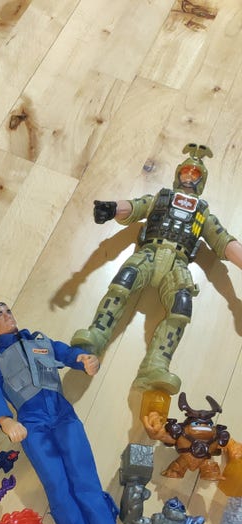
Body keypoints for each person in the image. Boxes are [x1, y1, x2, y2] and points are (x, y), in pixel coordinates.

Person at [71, 143, 242, 395]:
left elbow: (223, 241)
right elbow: (135, 207)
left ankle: (156, 365)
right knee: (123, 282)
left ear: (201, 180)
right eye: (186, 171)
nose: (189, 176)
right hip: (149, 253)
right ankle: (97, 334)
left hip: (178, 263)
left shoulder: (203, 214)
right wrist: (112, 208)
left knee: (181, 307)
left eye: (195, 173)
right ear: (178, 174)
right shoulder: (160, 199)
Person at [0, 302, 118, 524]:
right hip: (32, 422)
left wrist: (83, 359)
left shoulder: (39, 341)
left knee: (83, 469)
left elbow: (65, 352)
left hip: (63, 413)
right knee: (55, 480)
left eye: (8, 311)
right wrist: (5, 420)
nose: (7, 316)